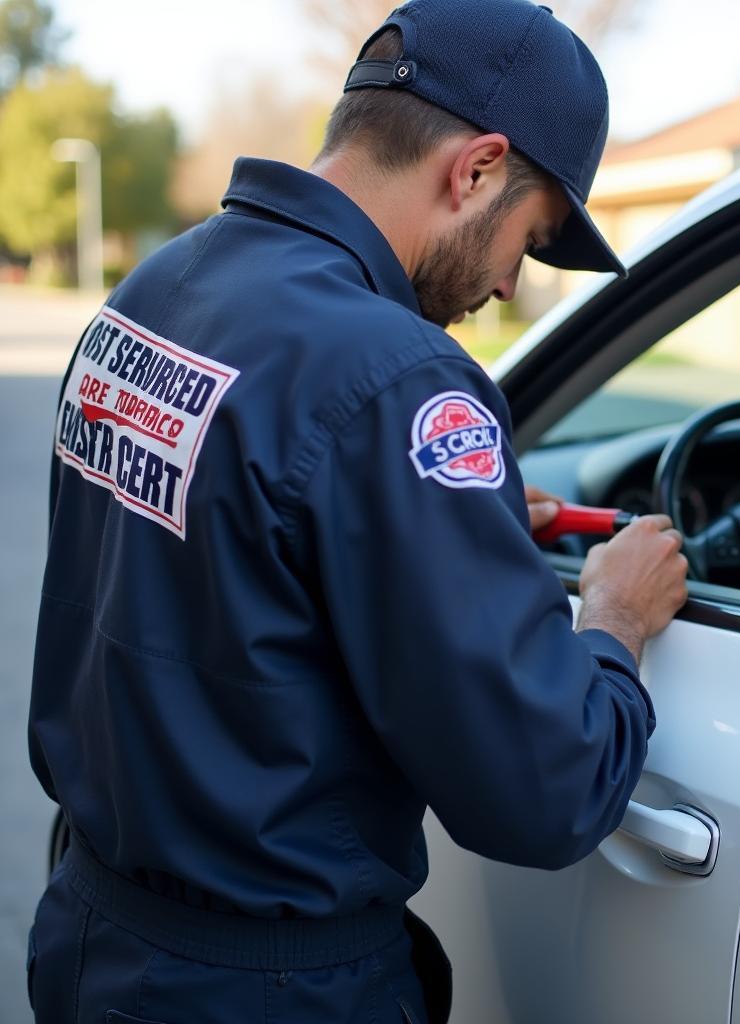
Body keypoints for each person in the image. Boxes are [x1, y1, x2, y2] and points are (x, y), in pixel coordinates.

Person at [26, 1, 689, 1021]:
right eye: (531, 235)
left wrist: (442, 527)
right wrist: (615, 619)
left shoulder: (157, 289)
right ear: (474, 169)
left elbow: (231, 542)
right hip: (264, 990)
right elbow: (542, 791)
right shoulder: (401, 380)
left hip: (92, 937)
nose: (510, 284)